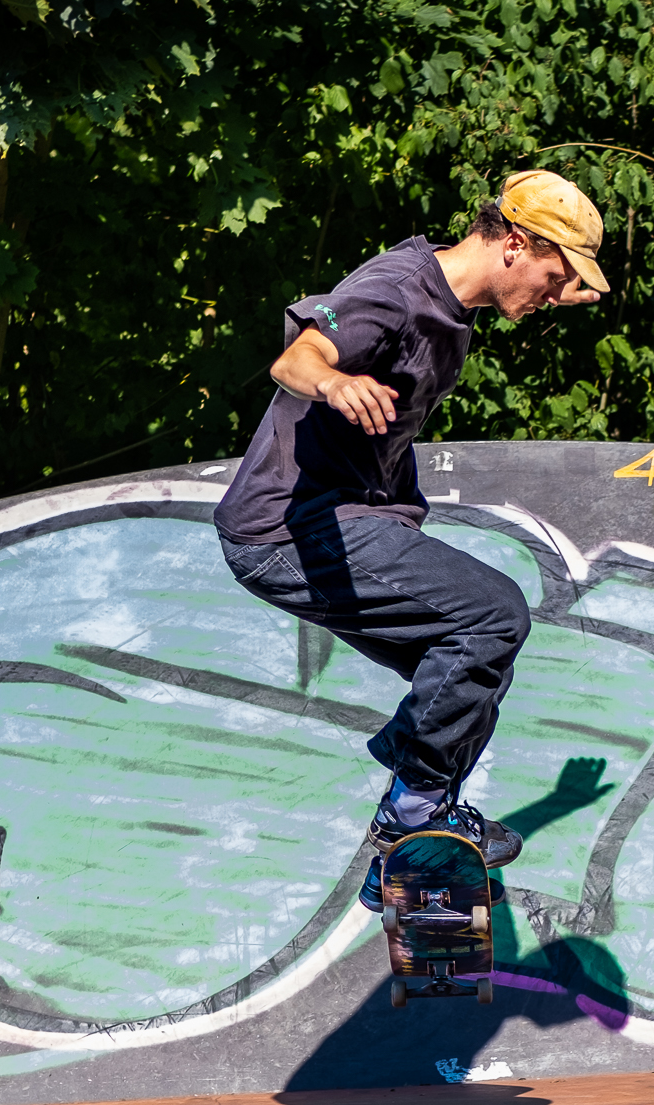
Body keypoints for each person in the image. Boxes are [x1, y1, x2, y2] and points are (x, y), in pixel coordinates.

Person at [213, 170, 609, 906]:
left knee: (474, 675)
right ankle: (412, 816)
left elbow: (520, 284)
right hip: (291, 529)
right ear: (515, 244)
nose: (555, 294)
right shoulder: (396, 291)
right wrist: (334, 383)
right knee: (493, 615)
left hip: (352, 520)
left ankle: (408, 857)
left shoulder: (455, 304)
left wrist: (553, 285)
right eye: (555, 276)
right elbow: (295, 360)